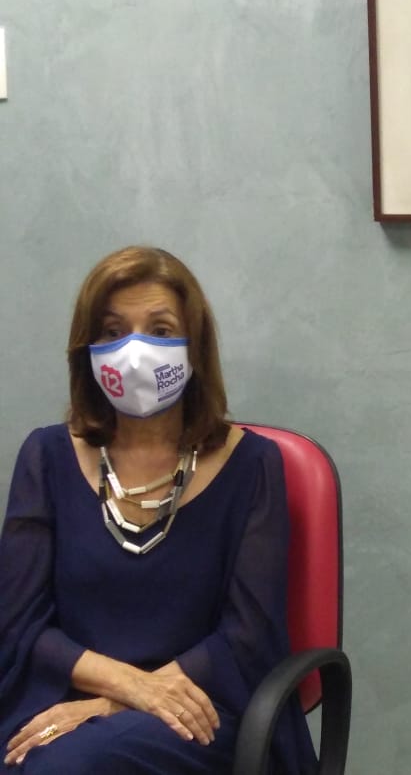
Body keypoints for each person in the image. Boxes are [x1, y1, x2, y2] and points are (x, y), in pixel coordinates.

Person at [0, 246, 318, 774]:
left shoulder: (253, 465)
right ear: (87, 349)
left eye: (161, 329)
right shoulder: (46, 456)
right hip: (58, 701)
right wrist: (129, 687)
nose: (135, 350)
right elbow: (21, 626)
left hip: (202, 711)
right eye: (112, 330)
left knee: (66, 766)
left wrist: (120, 704)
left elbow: (248, 638)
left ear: (196, 346)